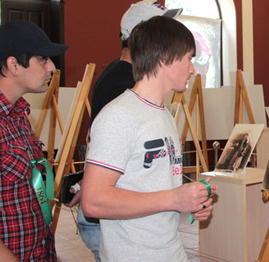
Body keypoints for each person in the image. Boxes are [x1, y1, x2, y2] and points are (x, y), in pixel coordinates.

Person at [81, 16, 216, 261]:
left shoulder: (163, 115)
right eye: (188, 58)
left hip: (171, 252)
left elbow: (155, 190)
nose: (192, 69)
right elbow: (93, 201)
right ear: (166, 56)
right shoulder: (118, 116)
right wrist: (174, 198)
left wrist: (189, 201)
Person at [66, 2, 183, 260]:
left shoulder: (122, 76)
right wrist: (173, 199)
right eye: (161, 31)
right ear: (143, 38)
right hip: (117, 225)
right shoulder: (126, 86)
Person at [0, 20, 68, 261]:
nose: (51, 67)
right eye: (43, 59)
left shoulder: (19, 115)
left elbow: (31, 188)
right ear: (13, 65)